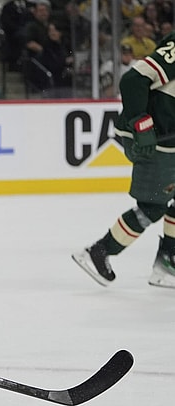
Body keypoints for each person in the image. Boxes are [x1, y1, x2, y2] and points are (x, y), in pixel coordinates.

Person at [72, 31, 175, 289]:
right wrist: (141, 123)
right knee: (152, 206)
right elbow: (132, 80)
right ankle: (99, 253)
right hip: (151, 141)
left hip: (166, 141)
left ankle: (167, 262)